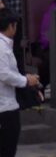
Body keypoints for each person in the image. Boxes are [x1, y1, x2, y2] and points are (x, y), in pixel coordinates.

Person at [0, 10, 41, 156]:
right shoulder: (2, 47)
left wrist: (24, 77)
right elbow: (4, 74)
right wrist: (26, 80)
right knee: (7, 149)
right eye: (15, 25)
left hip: (6, 104)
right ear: (11, 26)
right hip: (5, 107)